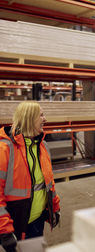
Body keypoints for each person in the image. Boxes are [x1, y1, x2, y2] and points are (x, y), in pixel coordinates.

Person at [0, 101, 60, 252]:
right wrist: (4, 229)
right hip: (15, 223)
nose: (45, 119)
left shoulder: (43, 146)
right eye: (41, 115)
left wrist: (55, 207)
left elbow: (49, 182)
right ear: (29, 118)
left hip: (37, 220)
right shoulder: (5, 149)